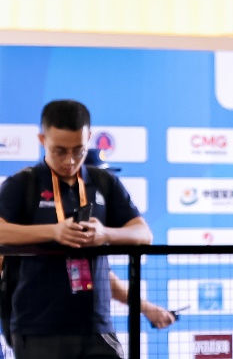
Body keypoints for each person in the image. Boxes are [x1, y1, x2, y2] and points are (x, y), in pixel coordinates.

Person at [0, 100, 171, 359]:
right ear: (42, 140)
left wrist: (105, 235)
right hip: (38, 328)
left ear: (89, 138)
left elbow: (143, 234)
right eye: (60, 151)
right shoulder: (23, 184)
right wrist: (54, 232)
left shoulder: (105, 182)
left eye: (78, 150)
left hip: (97, 326)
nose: (70, 160)